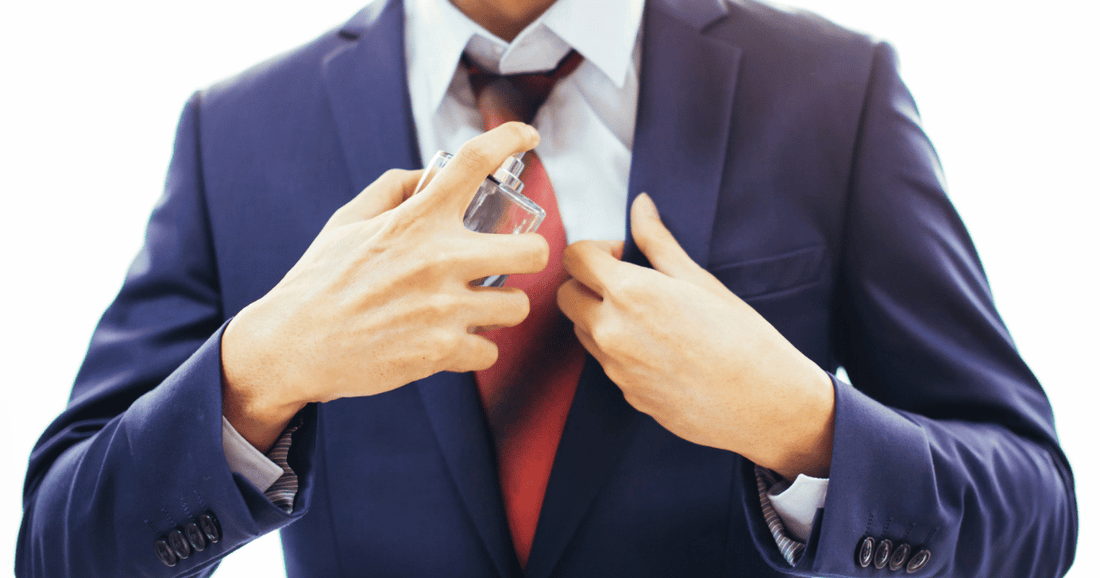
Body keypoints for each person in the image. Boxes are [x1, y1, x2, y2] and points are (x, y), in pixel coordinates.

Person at [17, 0, 1077, 576]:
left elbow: (1034, 509)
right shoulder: (236, 131)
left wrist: (804, 425)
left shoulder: (833, 93)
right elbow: (59, 548)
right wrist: (261, 371)